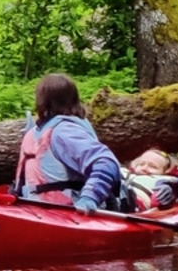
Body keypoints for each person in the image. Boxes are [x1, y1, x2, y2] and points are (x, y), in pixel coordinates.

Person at [12, 73, 123, 215]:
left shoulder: (64, 132)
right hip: (37, 213)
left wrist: (90, 197)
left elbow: (106, 162)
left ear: (42, 100)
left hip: (70, 216)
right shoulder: (36, 132)